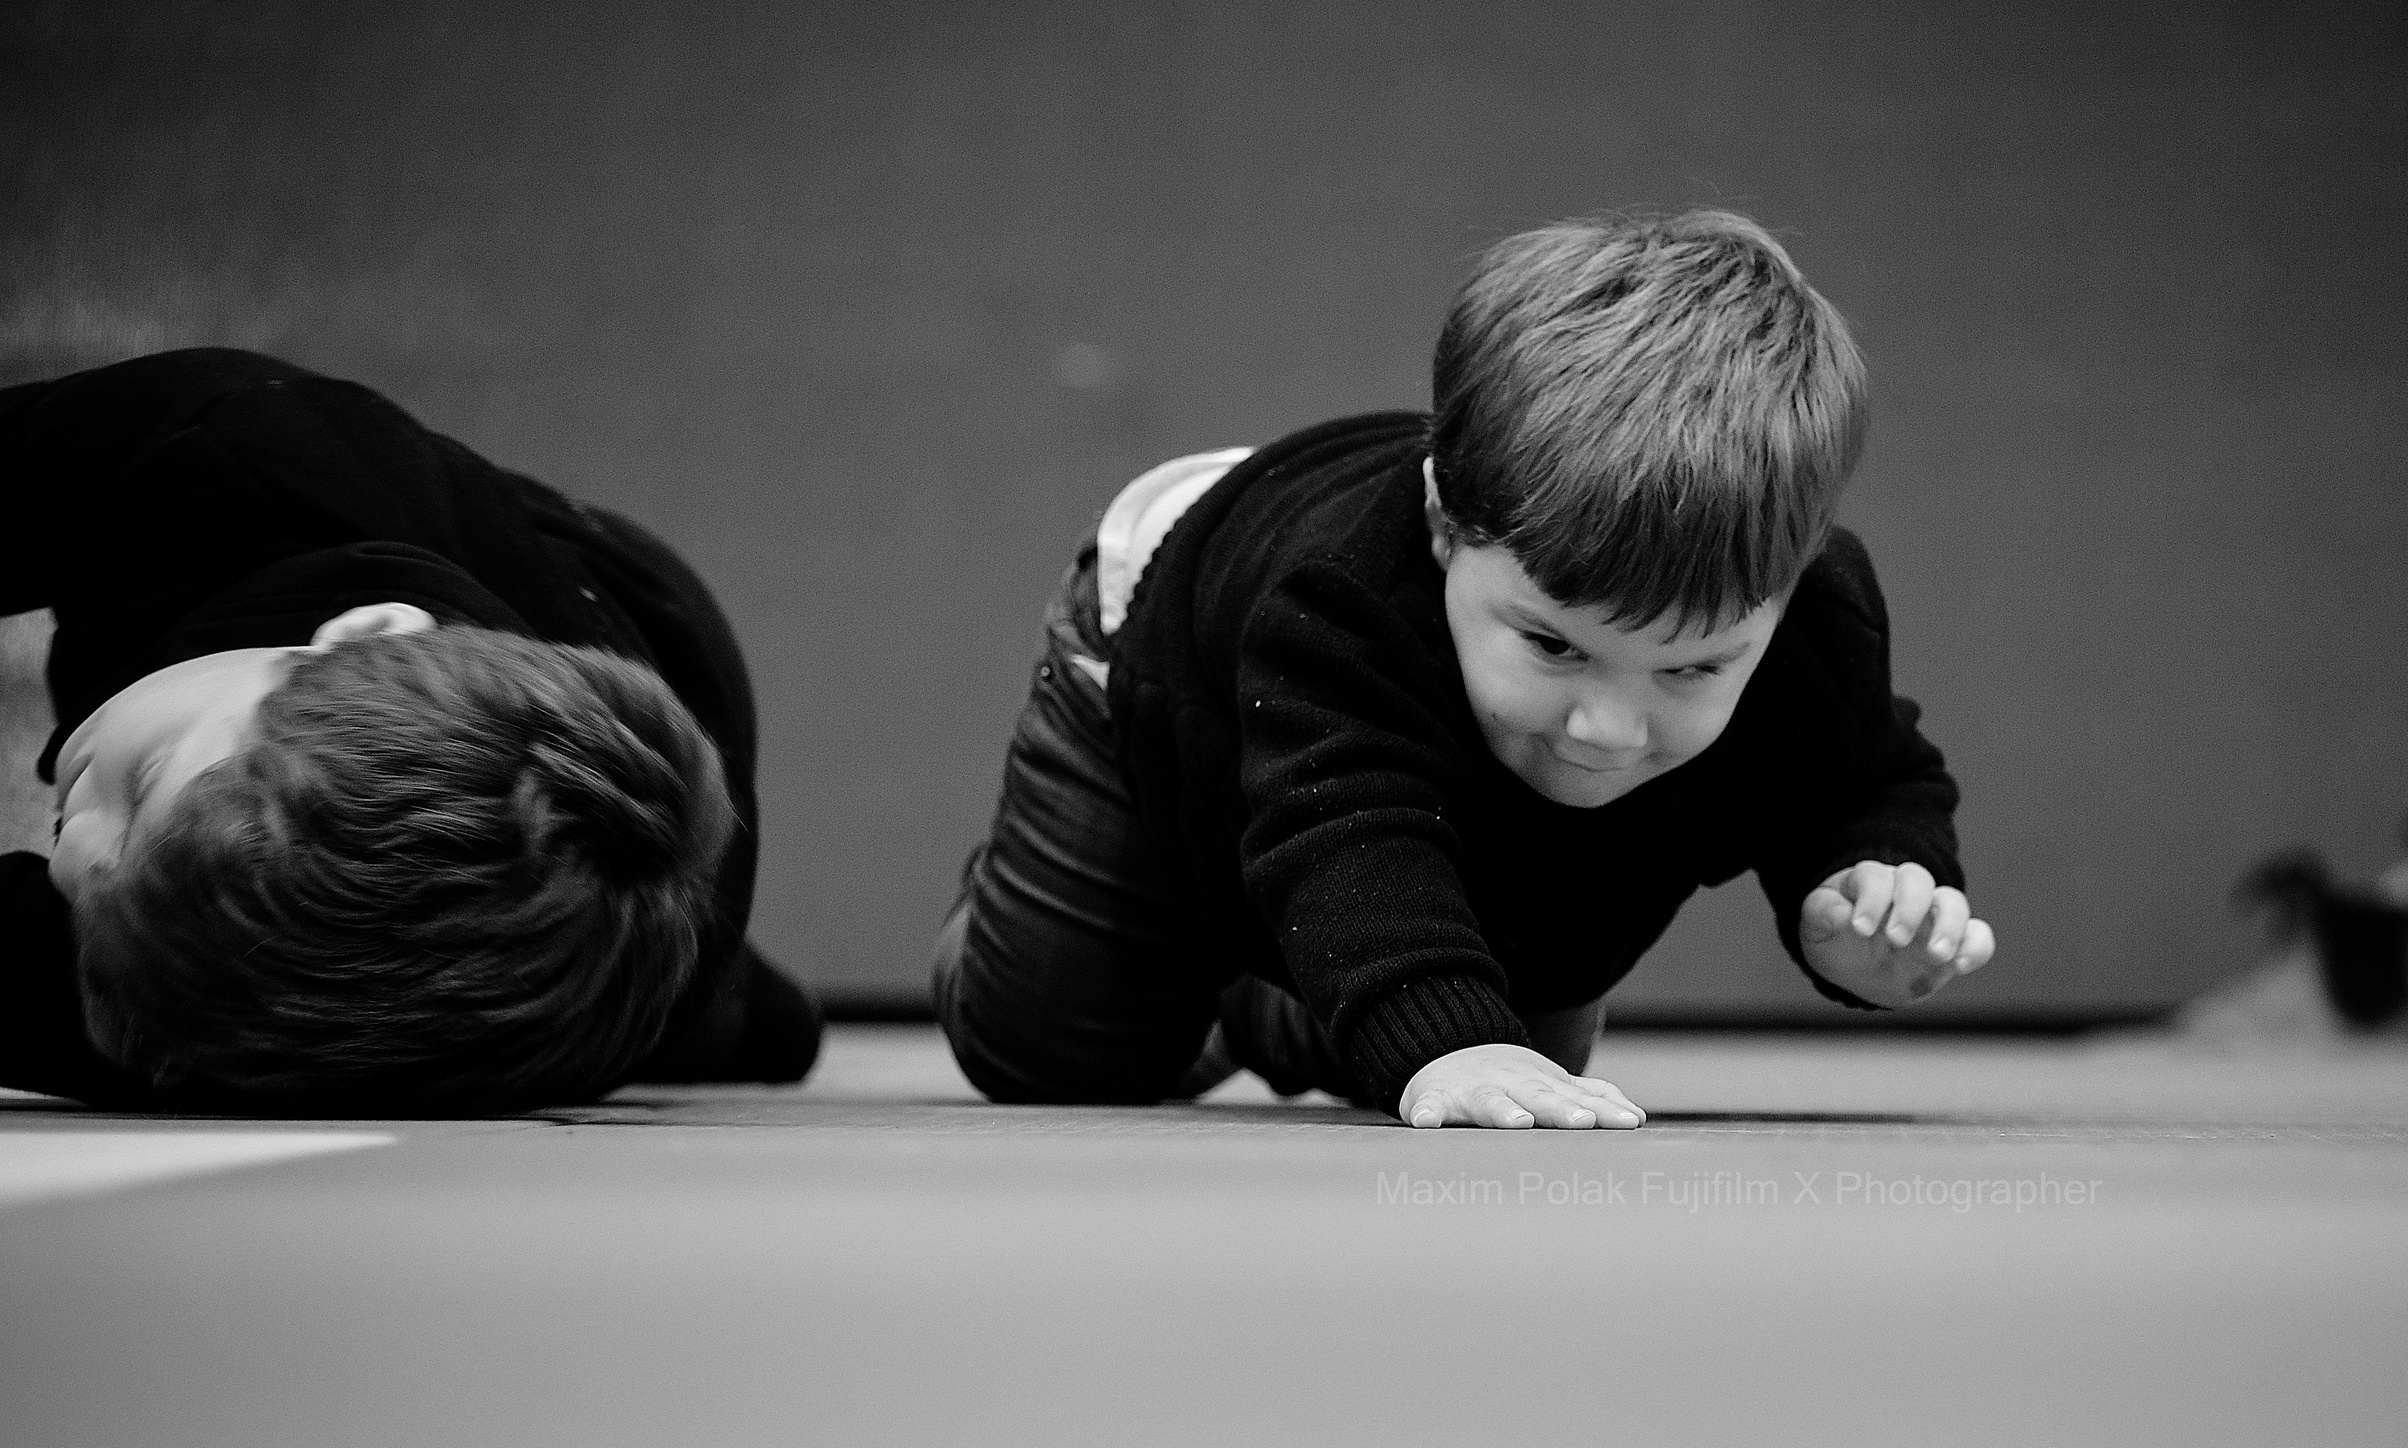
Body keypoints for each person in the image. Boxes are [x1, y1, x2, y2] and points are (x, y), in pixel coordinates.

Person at [935, 208, 1995, 1129]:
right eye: (1551, 644)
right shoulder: (1336, 604)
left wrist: (1872, 891)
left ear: (1792, 582)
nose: (1606, 728)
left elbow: (1871, 777)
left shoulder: (1810, 622)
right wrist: (1442, 1034)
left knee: (1518, 1060)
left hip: (1417, 786)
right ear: (1446, 521)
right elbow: (1342, 823)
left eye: (1689, 670)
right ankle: (1159, 934)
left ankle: (1290, 990)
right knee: (1057, 1050)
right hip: (1171, 655)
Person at [0, 347, 821, 1114]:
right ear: (361, 633)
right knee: (691, 985)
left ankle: (756, 1015)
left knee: (662, 1012)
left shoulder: (298, 1004)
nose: (70, 853)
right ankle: (753, 1011)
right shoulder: (220, 449)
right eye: (144, 780)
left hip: (616, 979)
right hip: (626, 606)